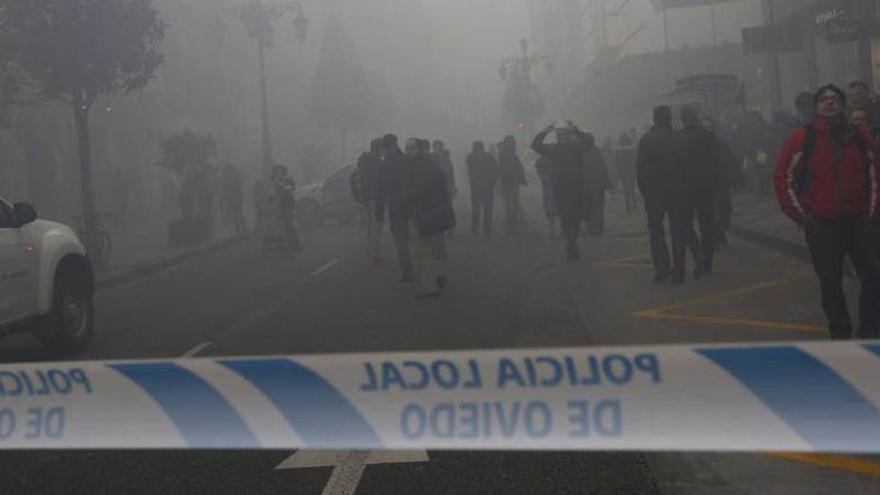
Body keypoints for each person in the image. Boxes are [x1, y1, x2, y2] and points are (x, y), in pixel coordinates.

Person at [774, 83, 880, 340]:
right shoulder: (803, 137)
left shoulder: (859, 136)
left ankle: (869, 331)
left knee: (874, 278)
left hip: (858, 221)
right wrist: (801, 216)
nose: (829, 102)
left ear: (842, 105)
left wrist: (871, 212)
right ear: (817, 106)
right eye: (824, 99)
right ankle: (841, 334)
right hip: (822, 224)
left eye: (834, 99)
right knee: (830, 283)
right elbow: (782, 177)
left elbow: (874, 175)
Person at [532, 121, 594, 261]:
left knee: (566, 216)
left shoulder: (554, 150)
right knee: (575, 216)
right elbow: (590, 141)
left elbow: (535, 145)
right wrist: (576, 130)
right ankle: (572, 240)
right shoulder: (576, 147)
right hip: (576, 186)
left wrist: (545, 131)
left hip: (561, 188)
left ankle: (570, 241)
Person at [671, 106, 720, 284]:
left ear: (683, 119)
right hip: (706, 186)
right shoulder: (708, 136)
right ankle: (707, 261)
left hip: (685, 188)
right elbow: (716, 162)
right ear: (696, 117)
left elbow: (675, 165)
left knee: (685, 225)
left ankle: (699, 257)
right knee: (707, 224)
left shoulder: (678, 138)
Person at [637, 106, 682, 283]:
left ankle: (663, 269)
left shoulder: (646, 140)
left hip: (654, 192)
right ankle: (679, 271)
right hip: (677, 190)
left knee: (656, 230)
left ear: (655, 119)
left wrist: (645, 192)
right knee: (678, 230)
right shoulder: (678, 138)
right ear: (669, 119)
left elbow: (641, 170)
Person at [406, 138, 454, 298]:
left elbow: (419, 189)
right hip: (429, 212)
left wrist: (406, 197)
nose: (409, 151)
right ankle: (431, 282)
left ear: (419, 150)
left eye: (412, 148)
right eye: (408, 148)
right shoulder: (430, 164)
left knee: (423, 251)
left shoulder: (420, 166)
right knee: (426, 249)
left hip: (420, 212)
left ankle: (429, 287)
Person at [376, 134, 414, 284]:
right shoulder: (407, 160)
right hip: (411, 204)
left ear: (386, 147)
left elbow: (381, 190)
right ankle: (425, 273)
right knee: (418, 240)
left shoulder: (385, 165)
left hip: (396, 206)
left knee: (401, 242)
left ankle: (408, 274)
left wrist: (379, 214)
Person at [701, 116, 743, 246]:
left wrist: (736, 177)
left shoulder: (721, 143)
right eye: (705, 128)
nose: (709, 130)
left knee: (725, 209)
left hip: (721, 182)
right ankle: (716, 234)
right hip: (705, 184)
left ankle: (721, 229)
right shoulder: (698, 145)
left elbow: (731, 160)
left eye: (710, 127)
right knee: (711, 211)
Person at [355, 138, 385, 265]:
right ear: (378, 148)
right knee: (376, 226)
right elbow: (376, 181)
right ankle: (375, 254)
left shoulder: (364, 160)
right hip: (375, 197)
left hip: (365, 198)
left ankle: (369, 250)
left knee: (369, 226)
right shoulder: (376, 162)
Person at [466, 141, 499, 236]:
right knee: (488, 209)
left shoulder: (470, 157)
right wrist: (492, 183)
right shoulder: (488, 157)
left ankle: (474, 229)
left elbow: (470, 170)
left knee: (476, 209)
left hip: (475, 187)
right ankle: (487, 230)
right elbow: (496, 170)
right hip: (488, 188)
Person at [582, 133, 612, 236]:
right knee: (598, 207)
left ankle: (591, 227)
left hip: (586, 186)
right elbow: (602, 167)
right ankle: (598, 228)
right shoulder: (596, 151)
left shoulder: (581, 152)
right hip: (597, 186)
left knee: (588, 207)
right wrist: (607, 183)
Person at [497, 135, 527, 234]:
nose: (511, 144)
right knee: (510, 201)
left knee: (512, 201)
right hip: (509, 181)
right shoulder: (505, 154)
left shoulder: (508, 153)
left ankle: (513, 220)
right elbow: (511, 167)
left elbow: (516, 167)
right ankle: (512, 221)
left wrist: (521, 178)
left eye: (512, 143)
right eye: (509, 143)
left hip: (511, 181)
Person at [270, 164, 301, 253]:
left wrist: (279, 185)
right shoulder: (275, 182)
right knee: (279, 226)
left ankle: (295, 245)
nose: (278, 173)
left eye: (280, 171)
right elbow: (273, 195)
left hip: (288, 206)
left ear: (284, 172)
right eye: (276, 172)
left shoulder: (289, 180)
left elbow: (289, 190)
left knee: (289, 225)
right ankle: (283, 244)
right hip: (279, 207)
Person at [535, 155, 559, 238]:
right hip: (551, 186)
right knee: (551, 208)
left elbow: (538, 168)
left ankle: (553, 230)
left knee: (552, 208)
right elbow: (538, 168)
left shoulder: (544, 158)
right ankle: (553, 230)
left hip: (554, 186)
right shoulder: (544, 159)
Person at [615, 132, 639, 213]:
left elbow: (617, 161)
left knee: (626, 188)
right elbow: (636, 158)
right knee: (632, 187)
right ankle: (635, 202)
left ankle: (627, 204)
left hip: (623, 171)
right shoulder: (633, 148)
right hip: (632, 170)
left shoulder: (619, 149)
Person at [221, 163, 245, 233]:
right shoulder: (227, 177)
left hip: (236, 196)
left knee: (238, 212)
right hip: (232, 196)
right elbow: (224, 188)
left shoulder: (233, 175)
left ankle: (240, 226)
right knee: (237, 212)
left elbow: (241, 183)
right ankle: (238, 227)